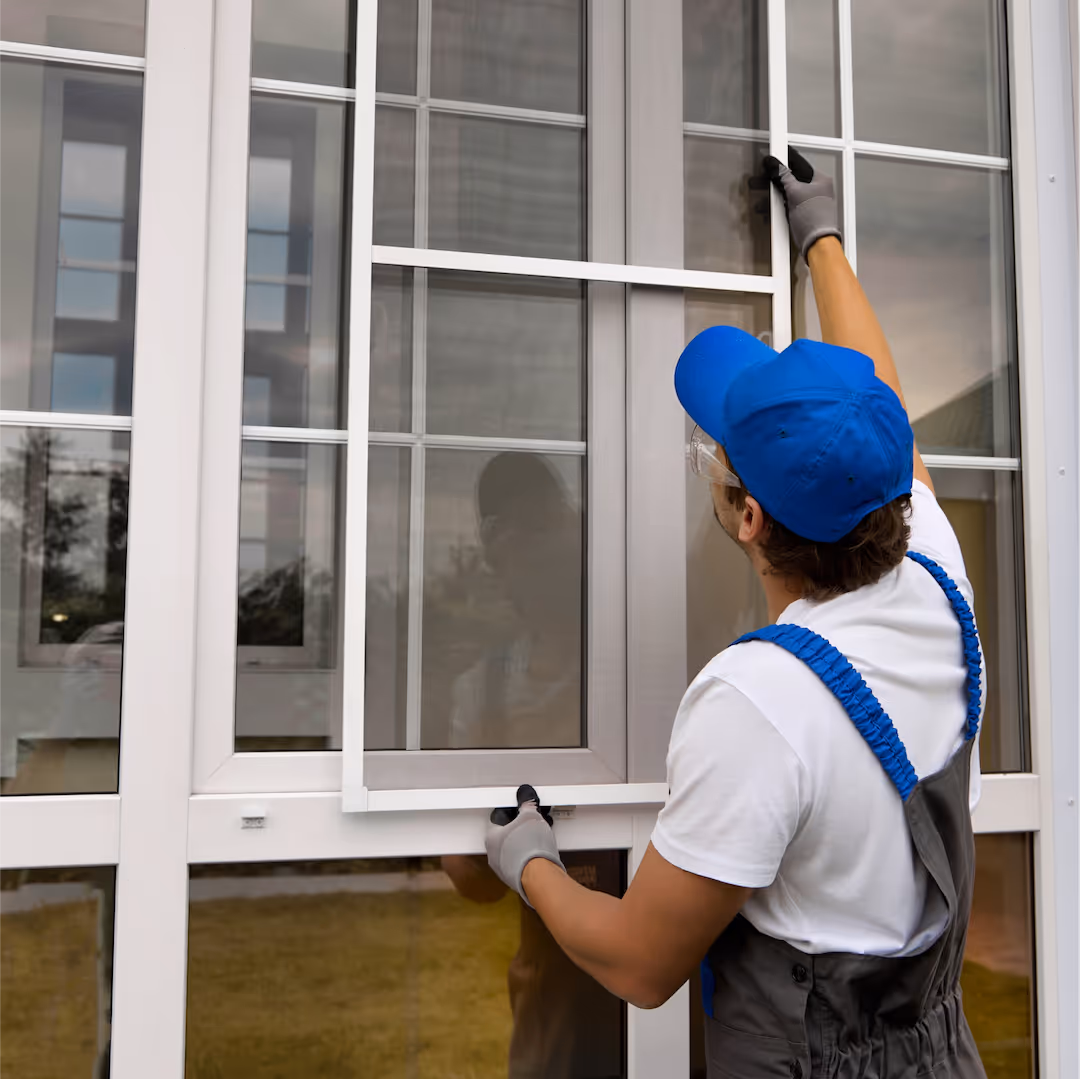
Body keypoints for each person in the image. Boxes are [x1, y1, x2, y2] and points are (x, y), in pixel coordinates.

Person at [484, 149, 988, 1078]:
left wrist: (532, 865)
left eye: (713, 452)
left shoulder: (762, 699)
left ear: (746, 516)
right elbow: (886, 404)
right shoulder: (934, 566)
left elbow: (642, 960)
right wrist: (821, 241)